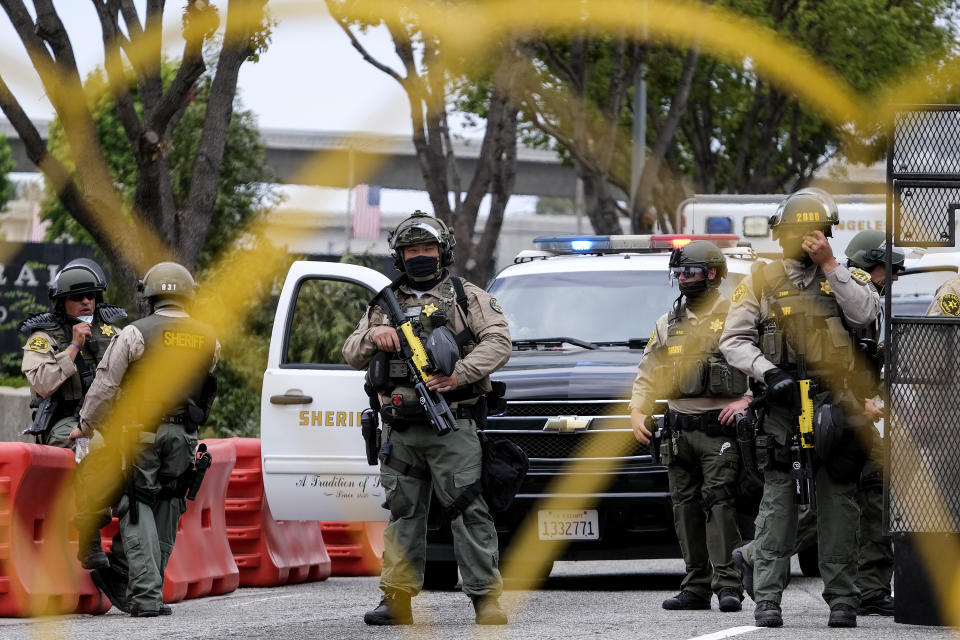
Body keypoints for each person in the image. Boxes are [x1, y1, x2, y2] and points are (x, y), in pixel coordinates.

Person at [719, 188, 881, 628]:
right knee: (778, 505)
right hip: (783, 405)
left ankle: (843, 599)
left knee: (839, 503)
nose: (808, 242)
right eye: (800, 234)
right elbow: (733, 340)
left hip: (836, 405)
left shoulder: (844, 276)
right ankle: (767, 598)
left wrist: (831, 264)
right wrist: (769, 373)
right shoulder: (760, 279)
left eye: (818, 234)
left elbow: (866, 315)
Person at [342, 211, 512, 626]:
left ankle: (485, 600)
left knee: (469, 509)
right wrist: (373, 336)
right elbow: (350, 351)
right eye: (412, 250)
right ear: (400, 256)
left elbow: (500, 342)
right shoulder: (384, 303)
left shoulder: (466, 296)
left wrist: (459, 375)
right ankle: (396, 599)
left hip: (453, 423)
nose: (420, 256)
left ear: (442, 252)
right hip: (400, 429)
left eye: (427, 249)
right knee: (403, 513)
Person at [77, 262, 218, 617]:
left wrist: (86, 424)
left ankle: (144, 597)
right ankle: (151, 588)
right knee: (169, 505)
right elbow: (207, 385)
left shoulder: (134, 333)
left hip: (141, 433)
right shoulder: (208, 338)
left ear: (150, 294)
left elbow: (105, 385)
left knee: (137, 505)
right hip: (184, 435)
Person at [631, 240, 749, 613]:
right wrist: (638, 410)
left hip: (720, 431)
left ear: (712, 274)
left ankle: (729, 584)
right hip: (678, 431)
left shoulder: (738, 316)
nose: (682, 279)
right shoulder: (668, 322)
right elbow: (648, 372)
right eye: (678, 273)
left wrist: (747, 401)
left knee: (720, 505)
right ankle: (695, 585)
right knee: (684, 508)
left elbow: (762, 364)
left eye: (690, 272)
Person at [19, 258, 127, 571]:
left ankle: (130, 559)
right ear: (62, 302)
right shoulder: (44, 338)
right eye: (77, 297)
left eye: (91, 296)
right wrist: (74, 347)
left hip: (108, 419)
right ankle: (90, 536)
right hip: (65, 421)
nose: (85, 302)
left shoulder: (110, 331)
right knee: (91, 448)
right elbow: (42, 383)